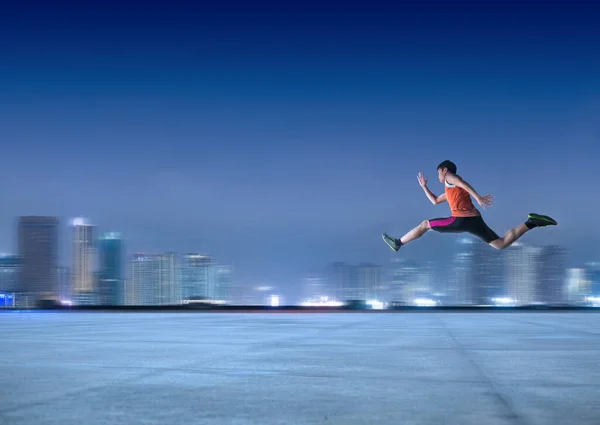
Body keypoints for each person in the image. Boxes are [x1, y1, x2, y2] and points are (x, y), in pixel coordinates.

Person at [382, 160, 557, 252]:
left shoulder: (451, 178)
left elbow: (462, 181)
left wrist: (478, 196)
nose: (438, 176)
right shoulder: (451, 190)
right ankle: (532, 222)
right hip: (474, 220)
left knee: (425, 224)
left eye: (438, 173)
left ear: (445, 170)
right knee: (500, 244)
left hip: (460, 220)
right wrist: (424, 187)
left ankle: (398, 243)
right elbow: (435, 201)